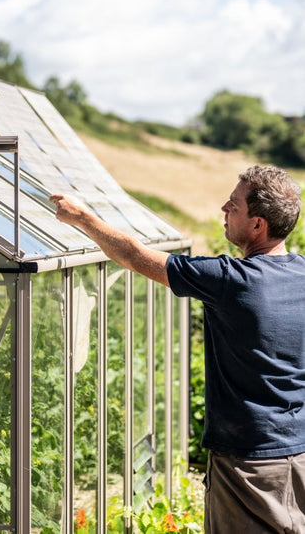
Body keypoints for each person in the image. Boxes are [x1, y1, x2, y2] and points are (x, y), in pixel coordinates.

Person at [51, 165, 305, 534]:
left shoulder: (231, 281)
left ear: (257, 225)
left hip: (248, 463)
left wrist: (82, 218)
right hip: (297, 451)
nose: (223, 208)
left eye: (234, 205)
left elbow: (137, 257)